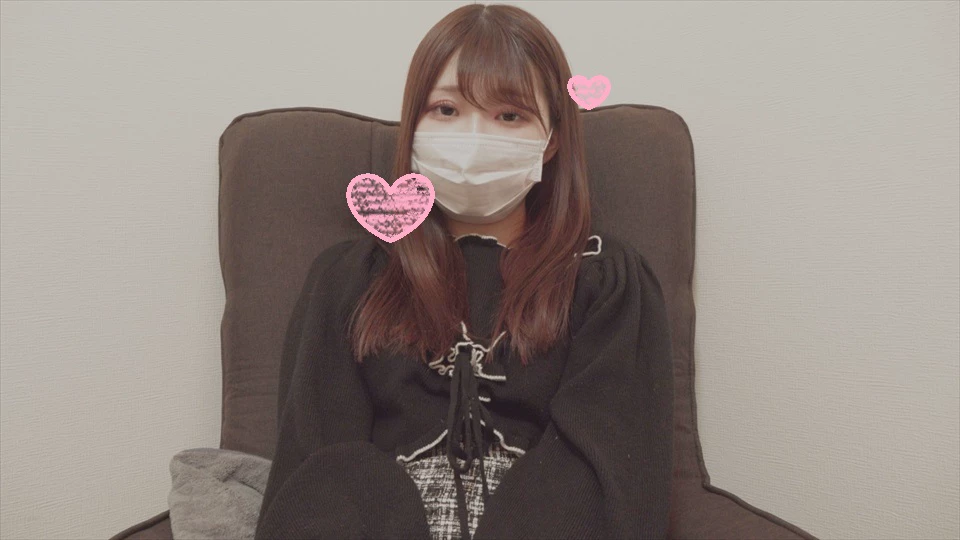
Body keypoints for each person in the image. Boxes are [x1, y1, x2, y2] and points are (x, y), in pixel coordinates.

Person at [254, 4, 675, 540]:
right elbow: (316, 473)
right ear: (414, 125)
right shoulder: (348, 279)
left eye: (509, 115)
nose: (473, 138)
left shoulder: (605, 279)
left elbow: (612, 475)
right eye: (447, 109)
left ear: (552, 138)